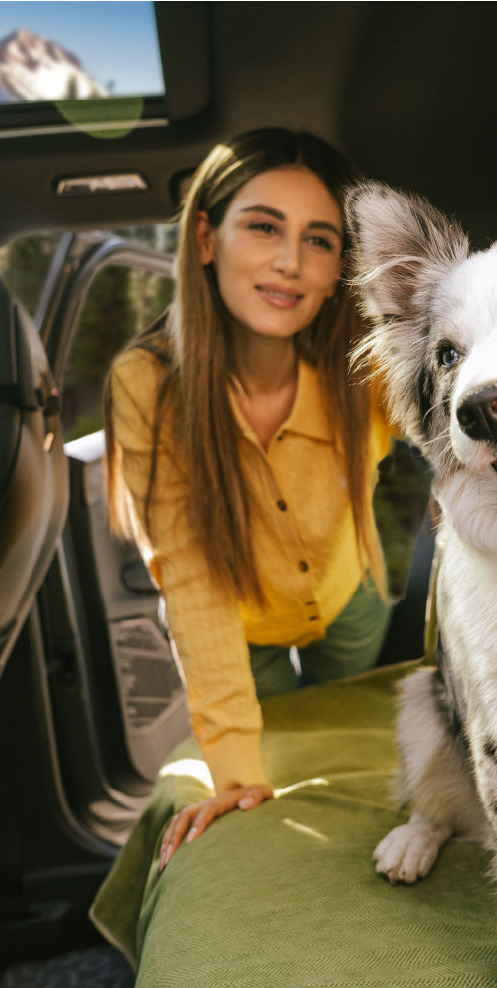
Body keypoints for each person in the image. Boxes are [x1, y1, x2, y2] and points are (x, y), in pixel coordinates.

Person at [103, 129, 394, 869]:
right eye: (263, 226)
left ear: (339, 269)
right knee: (272, 779)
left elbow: (457, 429)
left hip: (349, 595)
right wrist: (234, 774)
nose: (290, 262)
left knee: (366, 770)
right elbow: (192, 579)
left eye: (319, 240)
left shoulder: (368, 366)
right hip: (244, 624)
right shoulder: (147, 384)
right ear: (206, 237)